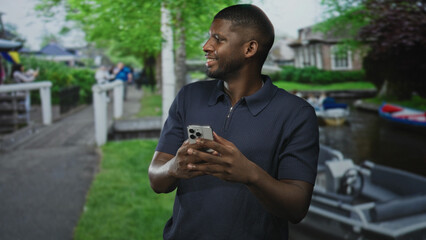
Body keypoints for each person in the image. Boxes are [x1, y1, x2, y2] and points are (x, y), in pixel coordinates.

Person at [148, 4, 319, 240]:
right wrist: (174, 166)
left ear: (249, 48)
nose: (206, 46)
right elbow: (156, 179)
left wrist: (250, 174)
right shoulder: (189, 97)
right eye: (209, 38)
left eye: (218, 39)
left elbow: (297, 208)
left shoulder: (297, 114)